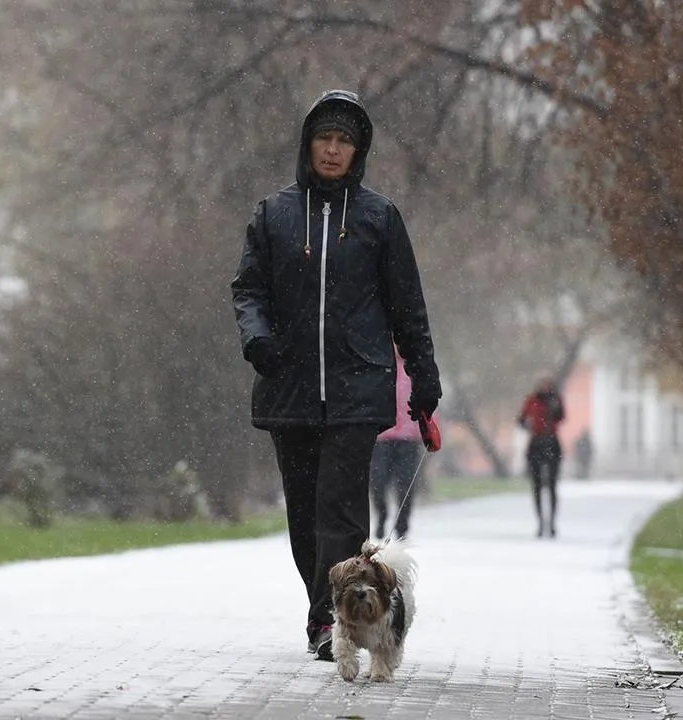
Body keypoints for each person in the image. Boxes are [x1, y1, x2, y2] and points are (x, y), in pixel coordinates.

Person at [230, 89, 441, 662]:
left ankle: (331, 623)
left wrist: (424, 377)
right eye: (324, 138)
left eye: (344, 140)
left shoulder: (379, 217)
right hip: (288, 384)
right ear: (307, 144)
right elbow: (248, 289)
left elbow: (407, 305)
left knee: (340, 508)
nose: (332, 149)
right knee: (303, 512)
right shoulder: (273, 214)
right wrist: (258, 338)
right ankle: (323, 609)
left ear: (358, 150)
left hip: (358, 386)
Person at [371, 349, 425, 541]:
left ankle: (402, 526)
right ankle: (382, 513)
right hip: (381, 436)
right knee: (377, 483)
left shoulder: (416, 367)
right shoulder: (376, 364)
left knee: (405, 485)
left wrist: (429, 429)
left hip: (409, 438)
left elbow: (427, 400)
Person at [517, 374, 566, 538]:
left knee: (552, 486)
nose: (544, 386)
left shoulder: (555, 399)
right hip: (536, 443)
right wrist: (528, 425)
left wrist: (554, 408)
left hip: (551, 442)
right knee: (537, 486)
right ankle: (540, 522)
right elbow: (521, 419)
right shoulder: (531, 400)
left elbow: (561, 417)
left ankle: (551, 523)